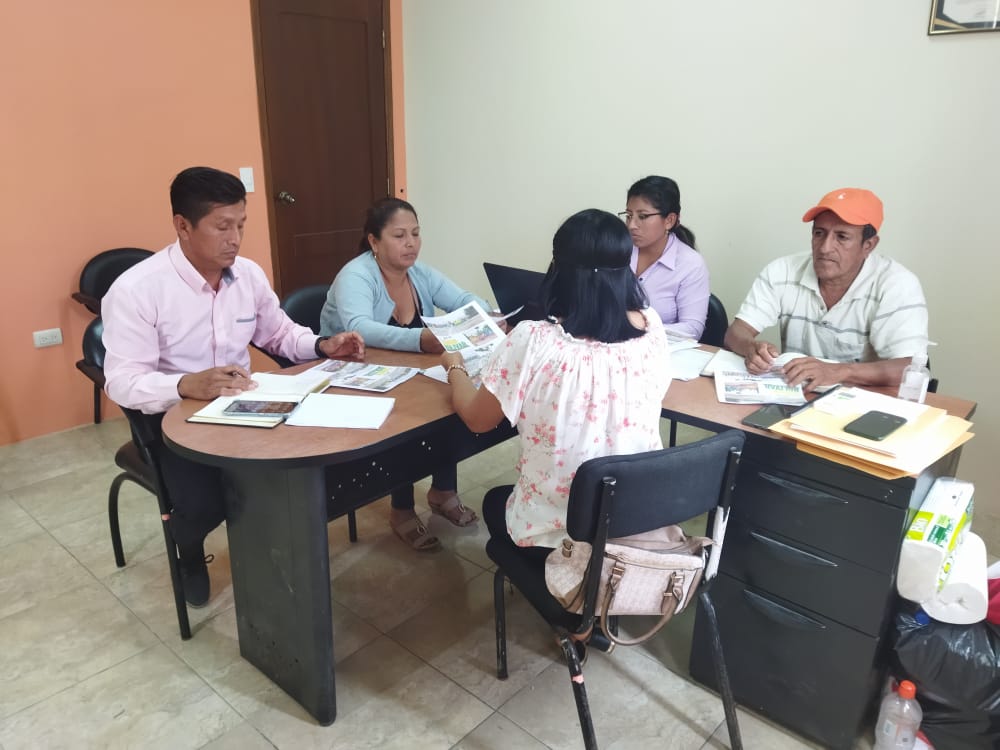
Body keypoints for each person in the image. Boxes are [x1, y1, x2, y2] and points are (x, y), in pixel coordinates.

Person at [102, 166, 365, 606]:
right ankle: (188, 549)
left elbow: (279, 334)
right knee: (205, 502)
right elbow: (123, 382)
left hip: (245, 407)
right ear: (183, 226)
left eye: (241, 225)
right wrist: (186, 384)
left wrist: (323, 344)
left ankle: (275, 554)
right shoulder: (137, 290)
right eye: (222, 227)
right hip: (172, 420)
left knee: (303, 468)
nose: (235, 239)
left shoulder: (248, 275)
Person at [441, 208, 671, 552]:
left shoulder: (533, 340)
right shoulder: (651, 328)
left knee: (494, 501)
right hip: (633, 523)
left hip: (558, 538)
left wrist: (454, 367)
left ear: (558, 270)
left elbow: (477, 419)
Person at [319, 197, 490, 551]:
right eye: (399, 236)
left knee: (450, 404)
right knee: (406, 422)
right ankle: (401, 510)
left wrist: (485, 315)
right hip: (355, 373)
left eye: (415, 233)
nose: (410, 243)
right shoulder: (356, 275)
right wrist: (422, 339)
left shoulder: (419, 273)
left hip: (406, 371)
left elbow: (463, 299)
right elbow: (360, 327)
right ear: (374, 241)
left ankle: (443, 492)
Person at [724, 187, 928, 392]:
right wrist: (751, 348)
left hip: (859, 400)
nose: (824, 247)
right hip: (795, 394)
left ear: (868, 245)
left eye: (842, 237)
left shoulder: (897, 284)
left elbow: (909, 367)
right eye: (819, 233)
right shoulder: (782, 271)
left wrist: (839, 371)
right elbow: (735, 333)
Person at [621, 175, 710, 339]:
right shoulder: (619, 250)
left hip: (661, 350)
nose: (631, 225)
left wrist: (640, 326)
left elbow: (692, 329)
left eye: (642, 216)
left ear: (669, 220)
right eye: (629, 215)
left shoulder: (690, 264)